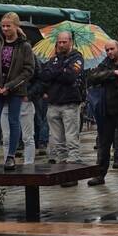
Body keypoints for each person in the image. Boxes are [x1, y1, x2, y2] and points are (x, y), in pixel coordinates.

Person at [0, 12, 35, 171]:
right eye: (3, 26)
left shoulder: (25, 46)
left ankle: (11, 156)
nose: (5, 29)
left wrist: (10, 86)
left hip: (15, 90)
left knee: (13, 121)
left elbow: (28, 70)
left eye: (8, 26)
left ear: (16, 27)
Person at [87, 40, 118, 186]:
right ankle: (99, 174)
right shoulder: (105, 64)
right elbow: (92, 77)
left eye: (112, 49)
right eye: (107, 50)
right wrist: (113, 73)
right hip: (106, 110)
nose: (109, 52)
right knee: (103, 144)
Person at [40, 31, 85, 173]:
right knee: (57, 139)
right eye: (59, 42)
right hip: (53, 103)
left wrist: (56, 72)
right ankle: (61, 165)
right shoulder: (53, 59)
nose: (61, 44)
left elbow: (71, 76)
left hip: (70, 103)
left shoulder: (77, 57)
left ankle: (72, 167)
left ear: (70, 41)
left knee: (71, 138)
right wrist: (61, 70)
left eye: (64, 42)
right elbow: (44, 75)